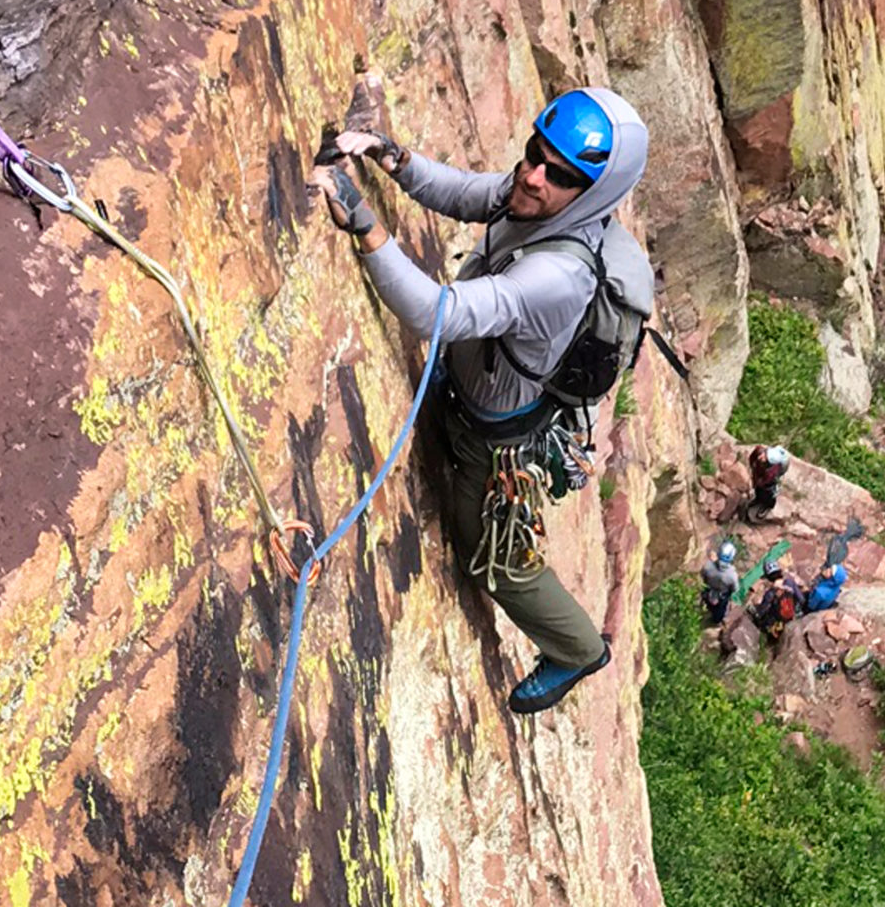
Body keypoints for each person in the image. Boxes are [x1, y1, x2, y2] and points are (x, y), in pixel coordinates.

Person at [315, 80, 646, 716]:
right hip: (469, 387)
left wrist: (361, 218)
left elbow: (434, 312)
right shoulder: (541, 202)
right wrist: (391, 155)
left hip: (493, 441)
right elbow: (466, 193)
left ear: (592, 192)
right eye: (533, 153)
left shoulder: (560, 274)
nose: (532, 176)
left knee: (491, 562)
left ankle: (578, 649)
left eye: (557, 173)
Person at [749, 568, 805, 649]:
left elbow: (761, 611)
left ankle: (769, 639)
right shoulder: (790, 583)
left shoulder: (771, 593)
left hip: (778, 620)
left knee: (759, 617)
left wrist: (755, 610)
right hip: (792, 615)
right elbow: (801, 599)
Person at [700, 540, 743, 625]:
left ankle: (703, 612)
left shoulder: (708, 566)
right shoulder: (732, 575)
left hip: (708, 591)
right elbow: (735, 589)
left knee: (706, 603)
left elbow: (703, 575)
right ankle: (716, 620)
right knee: (719, 611)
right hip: (721, 596)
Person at [746, 443, 791, 523]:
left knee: (768, 492)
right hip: (760, 474)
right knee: (758, 489)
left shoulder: (773, 469)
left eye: (763, 457)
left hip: (768, 481)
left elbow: (766, 480)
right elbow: (752, 458)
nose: (760, 457)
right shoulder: (759, 451)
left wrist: (758, 482)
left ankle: (767, 505)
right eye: (761, 455)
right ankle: (758, 499)